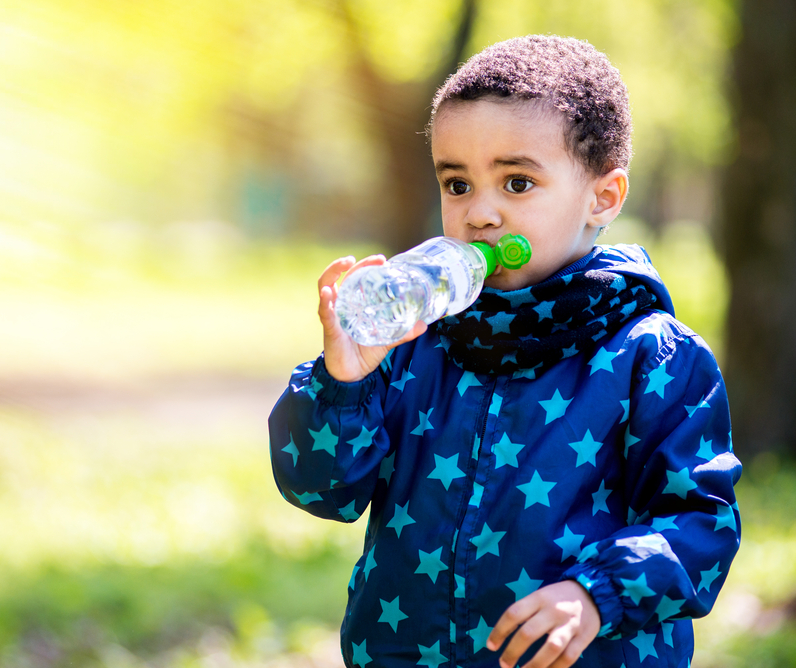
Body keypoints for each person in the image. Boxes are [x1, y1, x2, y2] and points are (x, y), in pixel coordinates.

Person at [268, 35, 740, 668]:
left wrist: (597, 593)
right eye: (457, 185)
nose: (480, 213)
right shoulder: (416, 340)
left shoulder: (652, 356)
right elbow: (322, 491)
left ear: (603, 197)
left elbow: (701, 523)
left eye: (517, 183)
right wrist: (342, 382)